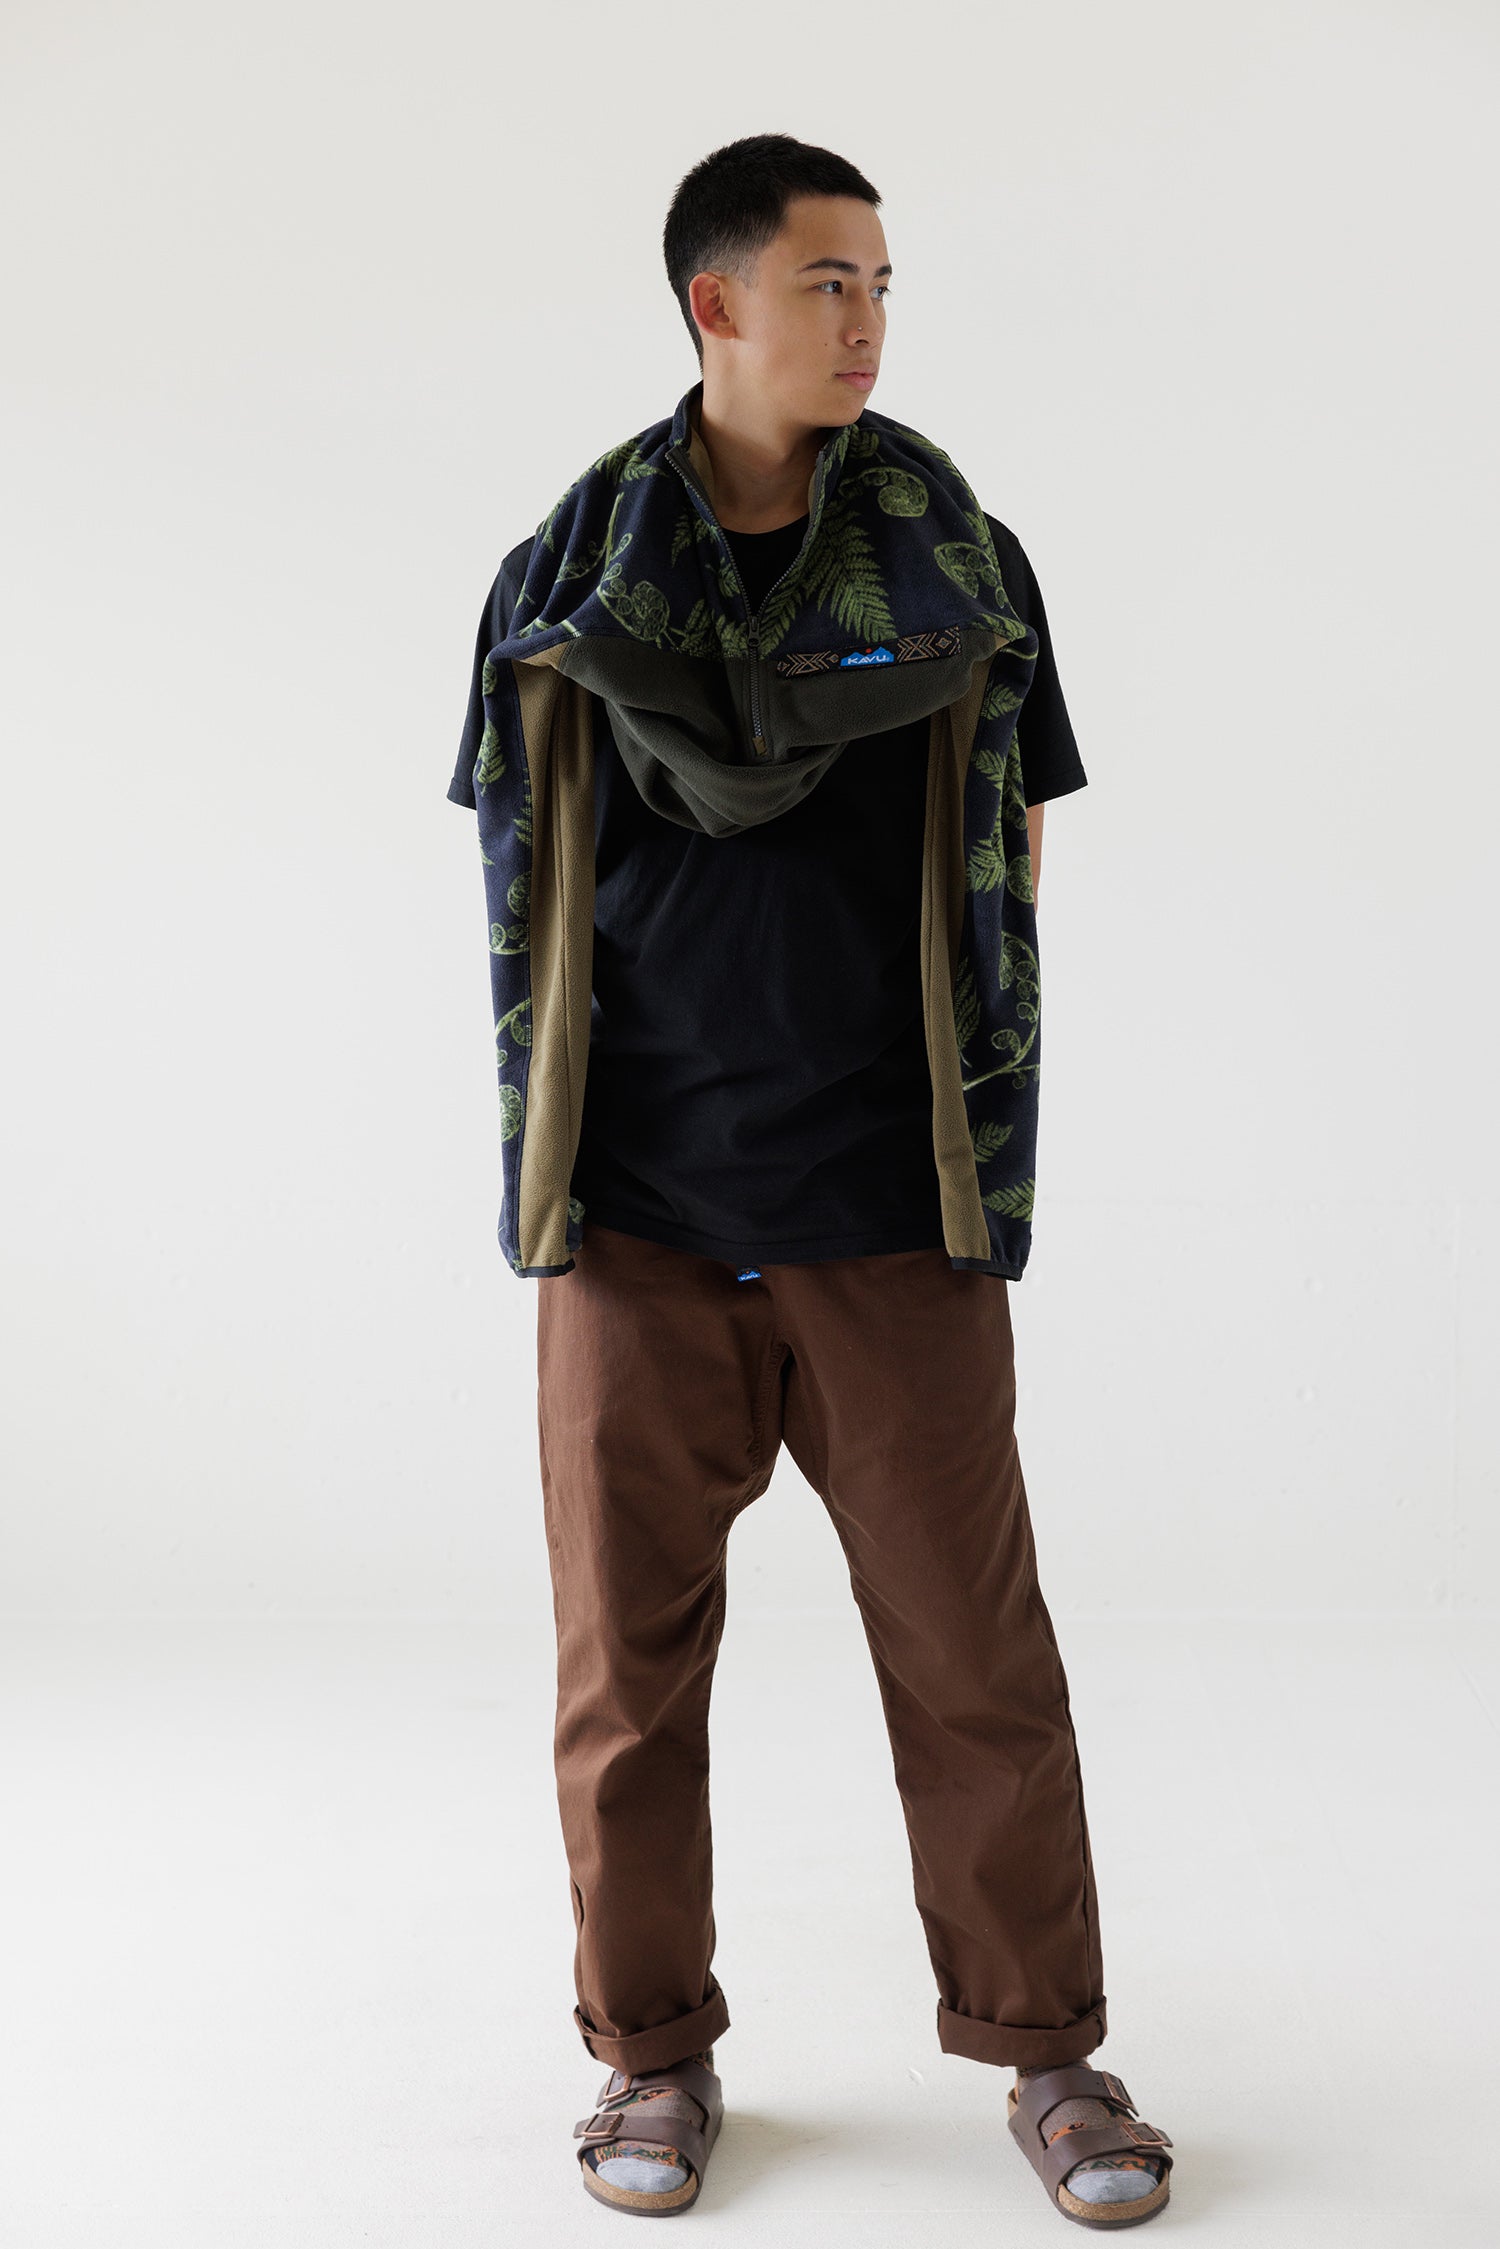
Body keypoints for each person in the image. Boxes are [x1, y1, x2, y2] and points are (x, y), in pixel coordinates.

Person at [447, 133, 1175, 2226]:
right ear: (719, 305)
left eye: (882, 284)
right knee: (624, 1681)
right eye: (828, 281)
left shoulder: (960, 557)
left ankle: (1049, 2055)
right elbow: (520, 862)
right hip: (639, 1220)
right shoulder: (566, 570)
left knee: (978, 1663)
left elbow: (1019, 834)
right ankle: (649, 2059)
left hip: (887, 1210)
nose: (866, 320)